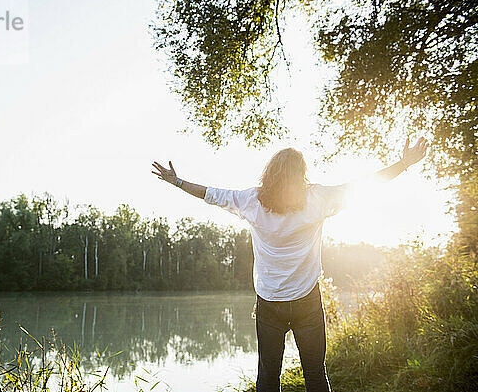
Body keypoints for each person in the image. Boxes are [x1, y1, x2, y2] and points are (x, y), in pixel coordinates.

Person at [151, 137, 428, 392]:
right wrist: (403, 164)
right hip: (307, 301)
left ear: (270, 173)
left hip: (270, 303)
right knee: (315, 374)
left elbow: (211, 193)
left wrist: (177, 182)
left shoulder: (252, 200)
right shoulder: (316, 198)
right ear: (301, 173)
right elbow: (365, 184)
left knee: (268, 376)